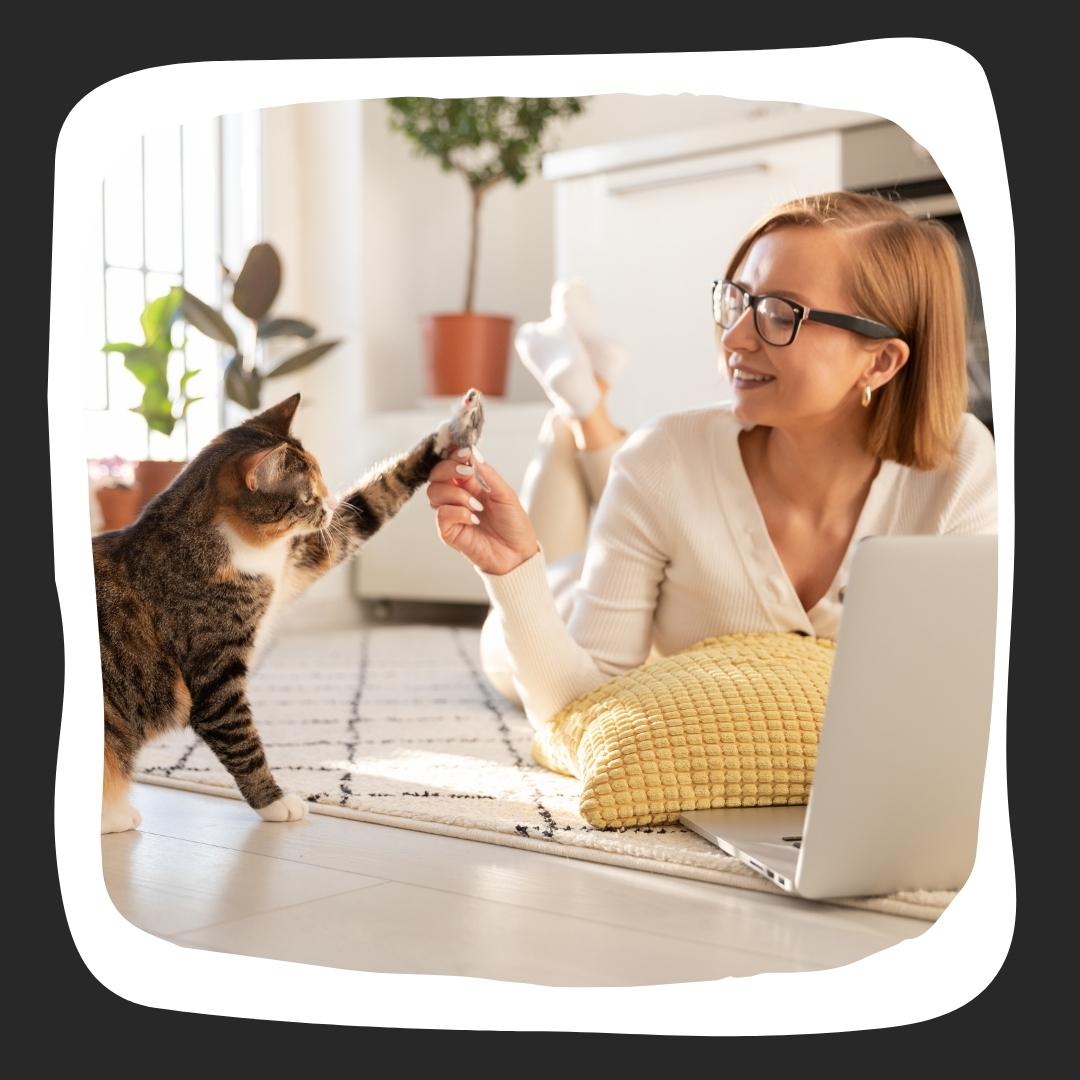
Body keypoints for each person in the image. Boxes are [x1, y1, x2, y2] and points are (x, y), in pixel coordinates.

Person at [425, 191, 997, 732]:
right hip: (567, 605)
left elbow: (971, 695)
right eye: (737, 300)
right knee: (518, 630)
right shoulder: (663, 455)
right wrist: (511, 569)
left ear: (880, 362)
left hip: (652, 521)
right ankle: (575, 413)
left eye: (780, 313)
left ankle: (582, 402)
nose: (736, 338)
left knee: (646, 472)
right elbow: (580, 709)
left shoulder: (959, 467)